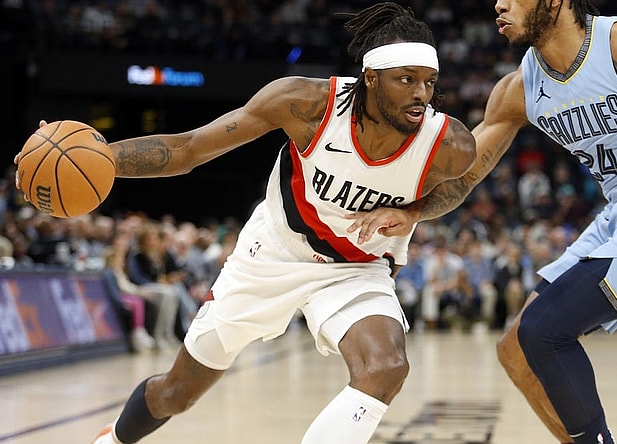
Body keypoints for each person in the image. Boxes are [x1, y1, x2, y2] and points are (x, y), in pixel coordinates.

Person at [14, 3, 475, 444]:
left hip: (355, 267)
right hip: (272, 253)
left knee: (386, 367)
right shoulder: (307, 104)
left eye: (429, 82)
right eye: (406, 80)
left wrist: (413, 212)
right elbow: (190, 148)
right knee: (177, 392)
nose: (421, 94)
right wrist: (100, 159)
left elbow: (459, 184)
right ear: (371, 79)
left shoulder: (448, 143)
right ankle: (114, 438)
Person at [346, 0, 617, 442]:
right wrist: (410, 211)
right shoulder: (520, 90)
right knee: (516, 350)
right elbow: (467, 175)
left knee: (544, 331)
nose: (499, 5)